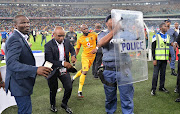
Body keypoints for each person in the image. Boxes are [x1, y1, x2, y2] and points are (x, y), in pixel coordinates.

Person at [5, 15, 52, 114]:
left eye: (28, 22)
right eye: (23, 23)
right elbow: (11, 64)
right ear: (15, 25)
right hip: (19, 83)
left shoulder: (19, 37)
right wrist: (35, 70)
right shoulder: (15, 39)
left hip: (21, 81)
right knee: (25, 111)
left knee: (24, 109)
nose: (27, 25)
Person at [91, 15, 134, 114]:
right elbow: (101, 43)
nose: (114, 20)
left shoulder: (125, 33)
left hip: (124, 69)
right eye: (111, 19)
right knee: (110, 98)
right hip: (109, 70)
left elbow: (136, 39)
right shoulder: (102, 34)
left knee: (127, 98)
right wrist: (115, 30)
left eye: (116, 19)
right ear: (106, 23)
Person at [44, 26, 76, 113]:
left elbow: (72, 50)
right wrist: (63, 63)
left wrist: (73, 56)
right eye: (59, 36)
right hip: (52, 69)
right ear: (53, 34)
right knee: (53, 89)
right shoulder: (48, 45)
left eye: (63, 36)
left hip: (64, 69)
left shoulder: (66, 41)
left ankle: (64, 103)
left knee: (69, 87)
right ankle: (52, 105)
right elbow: (49, 60)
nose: (61, 38)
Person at [72, 24, 97, 98]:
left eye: (87, 28)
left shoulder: (94, 35)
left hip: (92, 57)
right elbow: (77, 49)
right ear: (81, 30)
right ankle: (79, 91)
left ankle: (73, 78)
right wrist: (75, 56)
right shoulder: (80, 39)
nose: (86, 30)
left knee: (83, 70)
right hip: (85, 56)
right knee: (85, 72)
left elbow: (100, 40)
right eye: (84, 29)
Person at [151, 22, 173, 95]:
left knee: (163, 74)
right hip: (157, 59)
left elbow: (168, 46)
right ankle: (153, 89)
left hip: (164, 59)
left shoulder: (168, 36)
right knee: (155, 74)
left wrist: (169, 56)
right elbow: (153, 48)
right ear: (160, 28)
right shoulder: (155, 36)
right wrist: (154, 59)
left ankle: (161, 87)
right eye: (165, 26)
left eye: (167, 26)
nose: (167, 27)